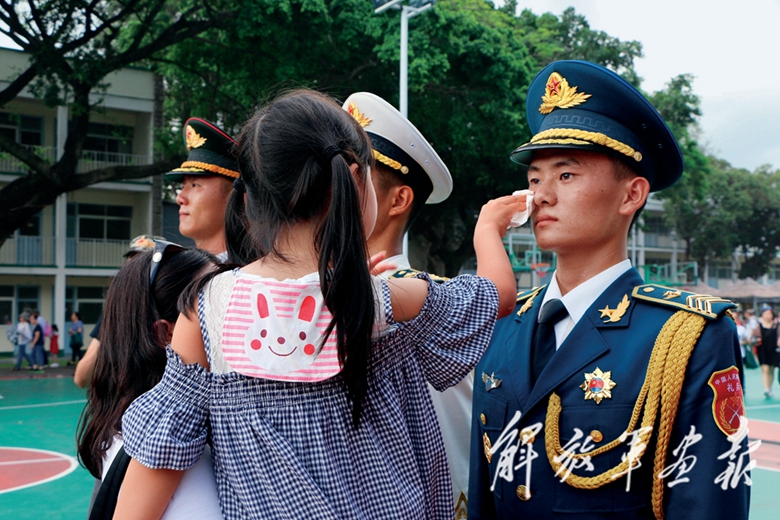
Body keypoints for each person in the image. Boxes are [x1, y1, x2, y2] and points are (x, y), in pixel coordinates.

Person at [115, 89, 526, 520]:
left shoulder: (206, 309)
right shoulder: (380, 297)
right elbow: (496, 295)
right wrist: (487, 229)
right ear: (353, 180)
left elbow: (160, 457)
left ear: (250, 195)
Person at [468, 61, 750, 519]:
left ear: (631, 195)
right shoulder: (503, 322)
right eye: (534, 178)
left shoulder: (686, 336)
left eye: (566, 175)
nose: (541, 196)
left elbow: (709, 503)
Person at [342, 92, 472, 514]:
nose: (334, 187)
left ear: (398, 200)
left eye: (354, 176)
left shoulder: (438, 307)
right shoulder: (312, 292)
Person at [77, 243, 220, 520]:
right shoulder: (166, 445)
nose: (236, 311)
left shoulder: (198, 429)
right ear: (165, 333)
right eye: (215, 302)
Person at [74, 235, 162, 388]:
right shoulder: (118, 309)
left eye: (143, 262)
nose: (136, 270)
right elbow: (82, 377)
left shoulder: (176, 307)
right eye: (131, 263)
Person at [166, 118, 239, 261]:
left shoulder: (254, 272)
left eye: (195, 185)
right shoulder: (180, 270)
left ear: (233, 196)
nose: (180, 198)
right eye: (183, 186)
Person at [752, 304, 779, 398]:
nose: (767, 316)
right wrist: (756, 339)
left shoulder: (776, 325)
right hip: (762, 350)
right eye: (765, 314)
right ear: (762, 315)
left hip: (774, 350)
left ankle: (769, 388)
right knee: (765, 369)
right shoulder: (758, 326)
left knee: (771, 369)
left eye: (769, 314)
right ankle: (766, 388)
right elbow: (752, 337)